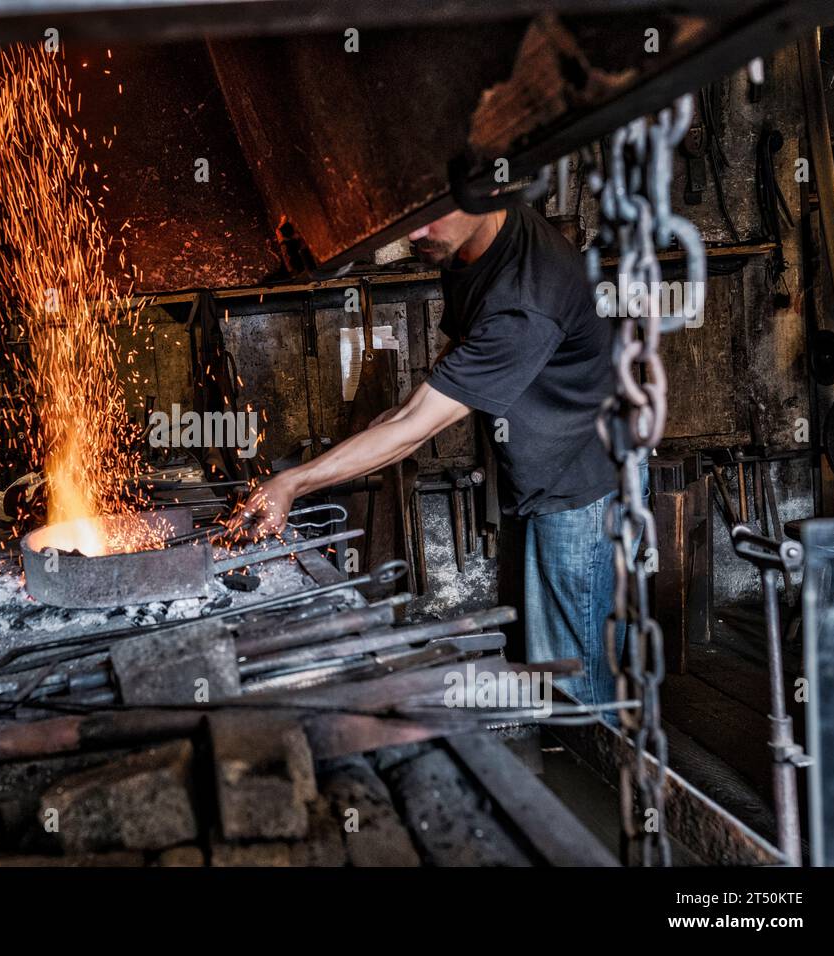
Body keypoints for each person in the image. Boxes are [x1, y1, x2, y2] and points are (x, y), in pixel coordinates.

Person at [233, 203, 640, 710]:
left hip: (584, 488)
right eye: (412, 217)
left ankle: (600, 780)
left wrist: (292, 483)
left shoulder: (525, 300)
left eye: (433, 217)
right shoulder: (471, 246)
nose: (417, 234)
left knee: (576, 678)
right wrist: (400, 416)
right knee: (550, 659)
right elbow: (441, 378)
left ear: (486, 192)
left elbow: (412, 430)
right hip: (548, 473)